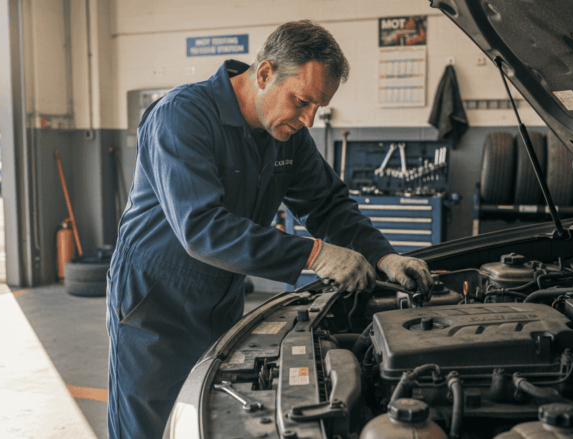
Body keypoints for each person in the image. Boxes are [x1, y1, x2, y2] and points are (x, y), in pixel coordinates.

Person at [106, 20, 433, 439]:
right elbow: (201, 228)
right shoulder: (181, 115)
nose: (309, 119)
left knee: (211, 421)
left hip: (222, 298)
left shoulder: (286, 133)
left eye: (318, 107)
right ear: (264, 74)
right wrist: (315, 254)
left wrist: (384, 256)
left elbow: (328, 205)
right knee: (149, 426)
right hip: (155, 305)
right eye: (302, 101)